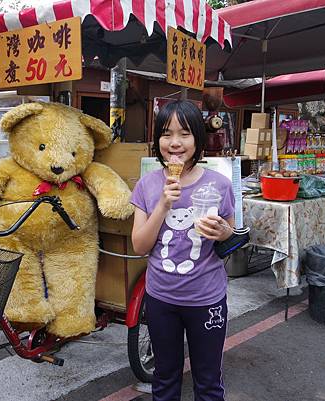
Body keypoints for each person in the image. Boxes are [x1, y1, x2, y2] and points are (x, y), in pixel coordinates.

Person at [130, 100, 235, 401]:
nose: (175, 142)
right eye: (166, 133)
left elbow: (230, 240)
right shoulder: (147, 185)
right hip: (162, 298)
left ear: (198, 139)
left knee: (208, 380)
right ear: (157, 140)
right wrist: (163, 204)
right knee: (165, 378)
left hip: (206, 299)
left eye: (185, 133)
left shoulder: (220, 184)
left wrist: (225, 232)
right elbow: (140, 246)